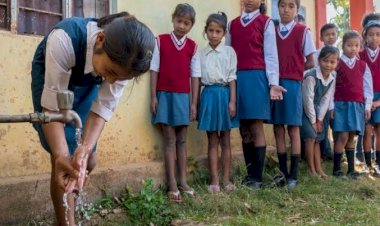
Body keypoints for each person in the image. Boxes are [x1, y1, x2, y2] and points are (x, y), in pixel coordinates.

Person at [31, 12, 155, 225]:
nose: (111, 80)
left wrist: (86, 149)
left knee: (88, 160)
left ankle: (67, 208)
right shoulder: (64, 39)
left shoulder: (123, 65)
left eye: (119, 78)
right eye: (110, 72)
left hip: (87, 79)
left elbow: (101, 110)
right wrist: (62, 155)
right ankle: (66, 222)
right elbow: (52, 112)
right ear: (100, 39)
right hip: (53, 76)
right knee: (65, 157)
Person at [225, 0, 285, 189]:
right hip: (237, 78)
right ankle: (249, 175)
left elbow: (271, 55)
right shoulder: (232, 24)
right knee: (243, 129)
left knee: (256, 125)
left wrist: (273, 83)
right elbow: (227, 55)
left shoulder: (266, 22)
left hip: (257, 77)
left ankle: (257, 178)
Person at [150, 3, 200, 202]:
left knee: (181, 140)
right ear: (173, 20)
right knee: (169, 140)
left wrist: (194, 103)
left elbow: (195, 76)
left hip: (183, 98)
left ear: (191, 25)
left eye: (186, 23)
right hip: (164, 96)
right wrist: (153, 96)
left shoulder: (192, 47)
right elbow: (154, 70)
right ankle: (171, 183)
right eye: (179, 21)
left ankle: (183, 181)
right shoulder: (160, 41)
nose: (182, 26)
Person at [272, 0, 316, 190]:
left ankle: (294, 175)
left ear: (297, 9)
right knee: (278, 128)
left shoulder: (302, 31)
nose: (286, 10)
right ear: (277, 7)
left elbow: (311, 61)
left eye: (291, 6)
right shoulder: (271, 30)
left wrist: (295, 71)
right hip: (274, 83)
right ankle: (282, 173)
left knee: (293, 128)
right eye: (282, 5)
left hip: (293, 84)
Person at [198, 12, 238, 193]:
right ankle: (214, 180)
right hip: (208, 96)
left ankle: (227, 180)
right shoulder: (200, 54)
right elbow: (197, 79)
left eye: (218, 31)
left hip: (224, 95)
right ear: (205, 31)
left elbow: (232, 78)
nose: (214, 35)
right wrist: (197, 103)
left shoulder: (229, 52)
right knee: (212, 140)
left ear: (224, 33)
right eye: (211, 31)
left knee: (226, 141)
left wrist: (232, 101)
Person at [331, 31, 373, 180]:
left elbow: (368, 87)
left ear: (360, 46)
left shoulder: (363, 65)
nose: (353, 48)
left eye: (356, 45)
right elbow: (331, 86)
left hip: (357, 105)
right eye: (349, 45)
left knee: (351, 137)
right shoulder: (337, 64)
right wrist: (331, 106)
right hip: (340, 105)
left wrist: (367, 107)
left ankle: (351, 169)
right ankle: (336, 168)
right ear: (342, 46)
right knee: (342, 136)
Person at [301, 46, 339, 179]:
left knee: (317, 139)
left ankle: (319, 170)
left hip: (317, 112)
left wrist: (319, 120)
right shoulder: (311, 76)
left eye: (332, 62)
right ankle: (311, 170)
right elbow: (307, 100)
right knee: (311, 137)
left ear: (337, 63)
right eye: (325, 60)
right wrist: (313, 121)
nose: (328, 65)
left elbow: (326, 99)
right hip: (303, 109)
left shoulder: (332, 77)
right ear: (319, 60)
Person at [314, 23, 339, 161]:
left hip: (334, 96)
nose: (330, 37)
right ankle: (322, 153)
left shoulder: (338, 53)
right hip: (320, 95)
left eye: (333, 34)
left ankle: (333, 152)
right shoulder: (318, 54)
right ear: (321, 37)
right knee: (321, 125)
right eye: (327, 34)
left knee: (333, 125)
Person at [359, 20, 380, 177]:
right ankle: (367, 164)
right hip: (363, 97)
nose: (374, 38)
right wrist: (367, 101)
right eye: (371, 34)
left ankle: (378, 163)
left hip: (379, 97)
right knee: (366, 131)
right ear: (364, 36)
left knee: (379, 130)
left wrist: (377, 102)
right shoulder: (359, 55)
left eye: (378, 35)